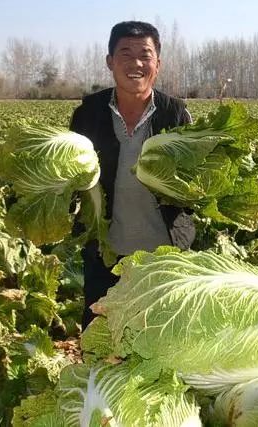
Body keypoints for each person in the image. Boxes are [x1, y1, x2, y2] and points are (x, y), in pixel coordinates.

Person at [69, 21, 195, 328]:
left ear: (158, 64)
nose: (136, 63)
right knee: (101, 340)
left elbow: (196, 186)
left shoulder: (175, 114)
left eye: (145, 54)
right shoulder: (88, 113)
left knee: (162, 341)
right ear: (110, 61)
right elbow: (70, 177)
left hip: (164, 257)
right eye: (125, 53)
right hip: (105, 258)